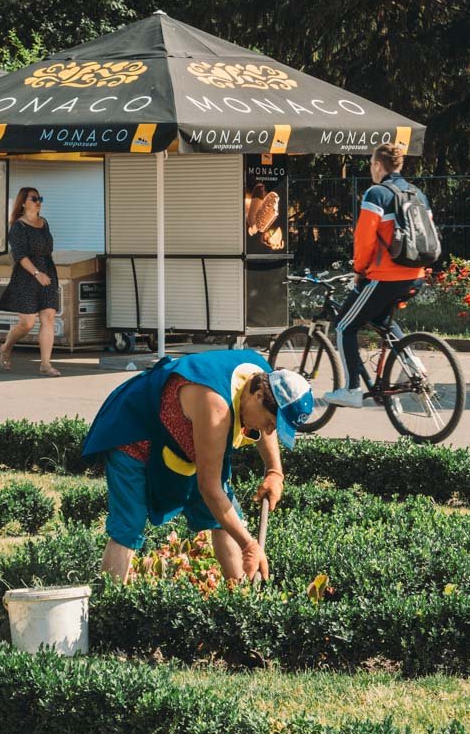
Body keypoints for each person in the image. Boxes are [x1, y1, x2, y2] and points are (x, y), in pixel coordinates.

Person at [82, 349, 314, 583]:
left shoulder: (261, 377)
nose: (268, 431)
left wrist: (275, 472)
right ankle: (110, 606)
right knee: (128, 527)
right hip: (136, 432)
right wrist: (250, 545)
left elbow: (266, 421)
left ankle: (242, 600)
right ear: (258, 395)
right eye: (270, 423)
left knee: (226, 519)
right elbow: (210, 488)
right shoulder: (216, 408)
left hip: (184, 442)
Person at [324, 144, 428, 408]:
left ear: (379, 165)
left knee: (344, 326)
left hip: (385, 275)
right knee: (382, 320)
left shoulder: (377, 193)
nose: (371, 167)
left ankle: (351, 389)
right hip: (415, 273)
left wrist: (359, 270)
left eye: (371, 163)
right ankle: (413, 366)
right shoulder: (417, 193)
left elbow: (364, 238)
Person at [0, 187, 61, 375]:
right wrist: (36, 273)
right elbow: (20, 255)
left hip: (48, 273)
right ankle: (5, 348)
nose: (38, 201)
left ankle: (45, 364)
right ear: (23, 203)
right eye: (34, 198)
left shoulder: (44, 223)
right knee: (27, 323)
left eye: (40, 198)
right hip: (27, 276)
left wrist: (44, 273)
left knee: (48, 317)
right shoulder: (18, 226)